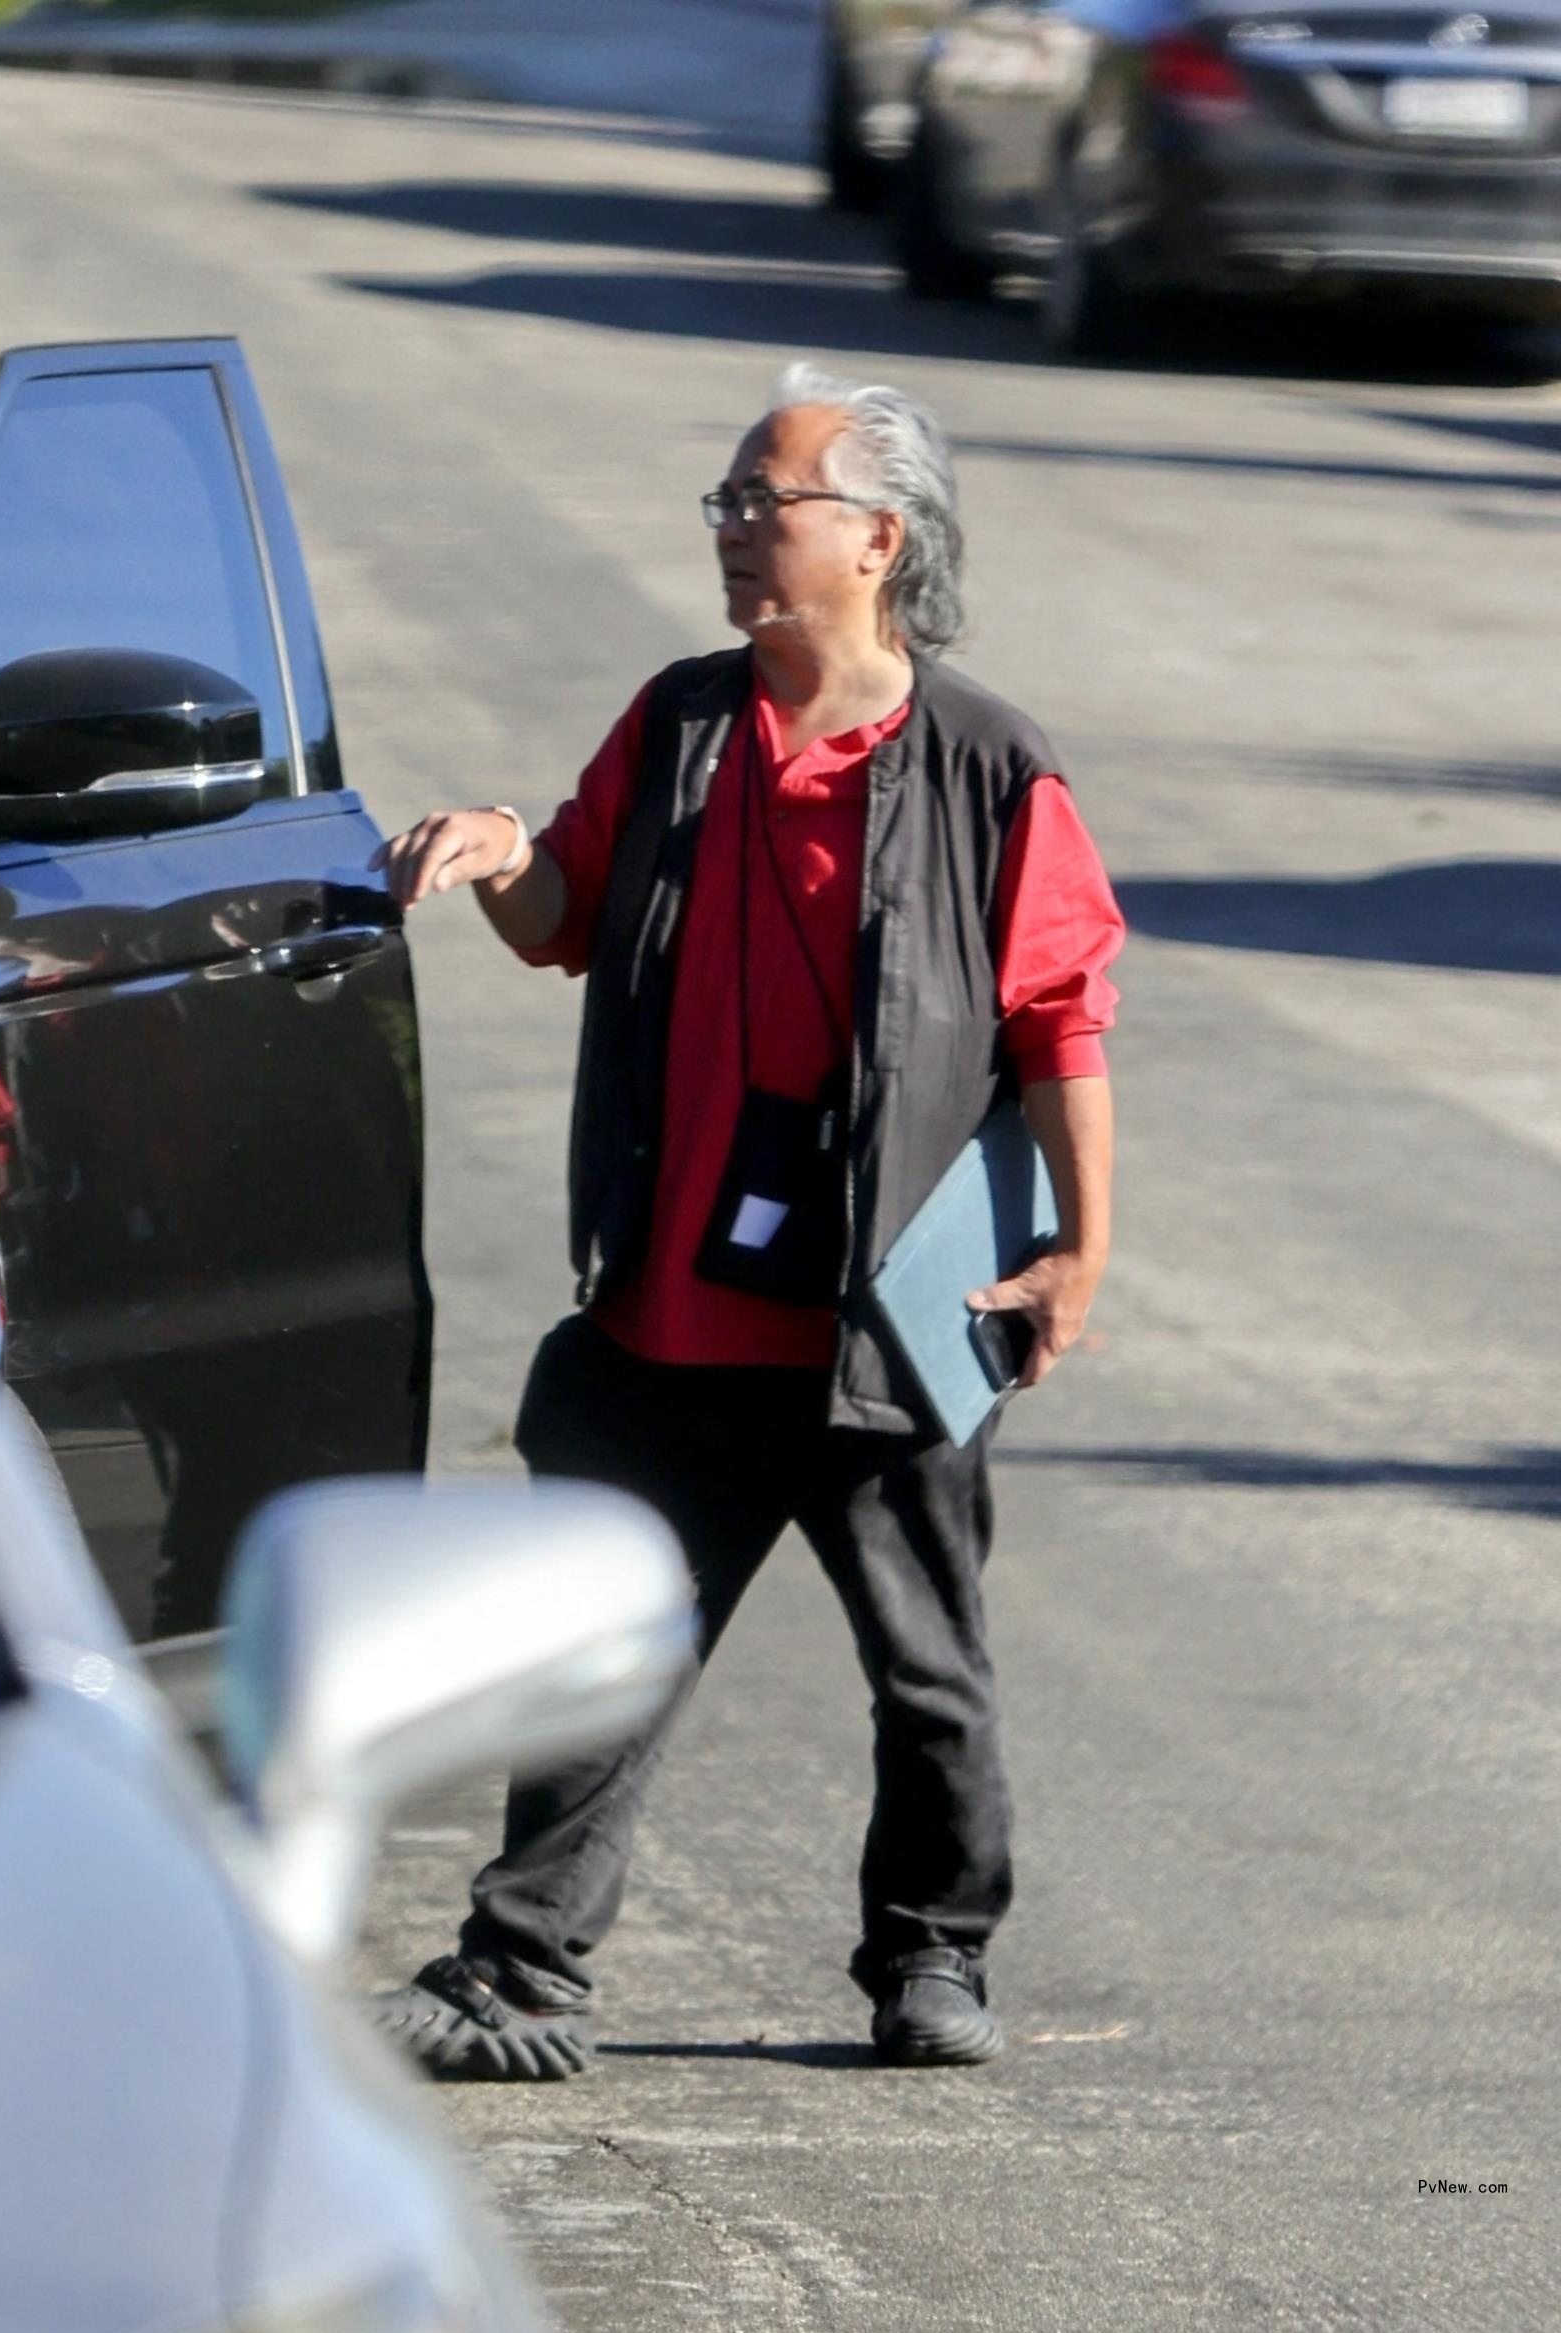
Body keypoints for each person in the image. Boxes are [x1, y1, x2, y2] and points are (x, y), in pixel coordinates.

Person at [372, 362, 1123, 2078]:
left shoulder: (991, 763)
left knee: (929, 1669)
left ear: (878, 538)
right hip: (675, 1305)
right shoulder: (681, 721)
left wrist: (1083, 1244)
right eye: (722, 502)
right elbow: (566, 916)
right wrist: (502, 852)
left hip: (887, 1320)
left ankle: (934, 1962)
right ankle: (516, 1973)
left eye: (758, 504)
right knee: (602, 1648)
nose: (729, 532)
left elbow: (1063, 1016)